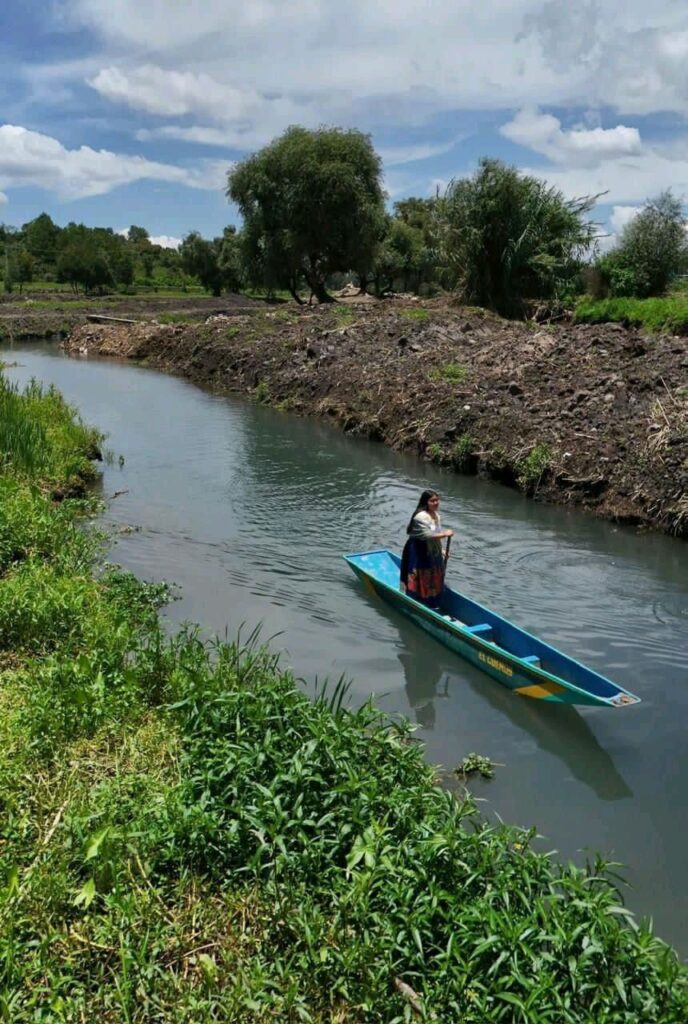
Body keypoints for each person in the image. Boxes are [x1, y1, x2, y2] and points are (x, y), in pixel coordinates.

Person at [399, 489, 453, 609]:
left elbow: (435, 534)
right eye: (432, 501)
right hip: (419, 549)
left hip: (432, 549)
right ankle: (415, 600)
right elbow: (426, 535)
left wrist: (441, 550)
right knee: (421, 573)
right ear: (426, 502)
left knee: (435, 572)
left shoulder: (436, 515)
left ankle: (432, 601)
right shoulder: (421, 517)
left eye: (437, 500)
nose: (436, 503)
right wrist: (445, 534)